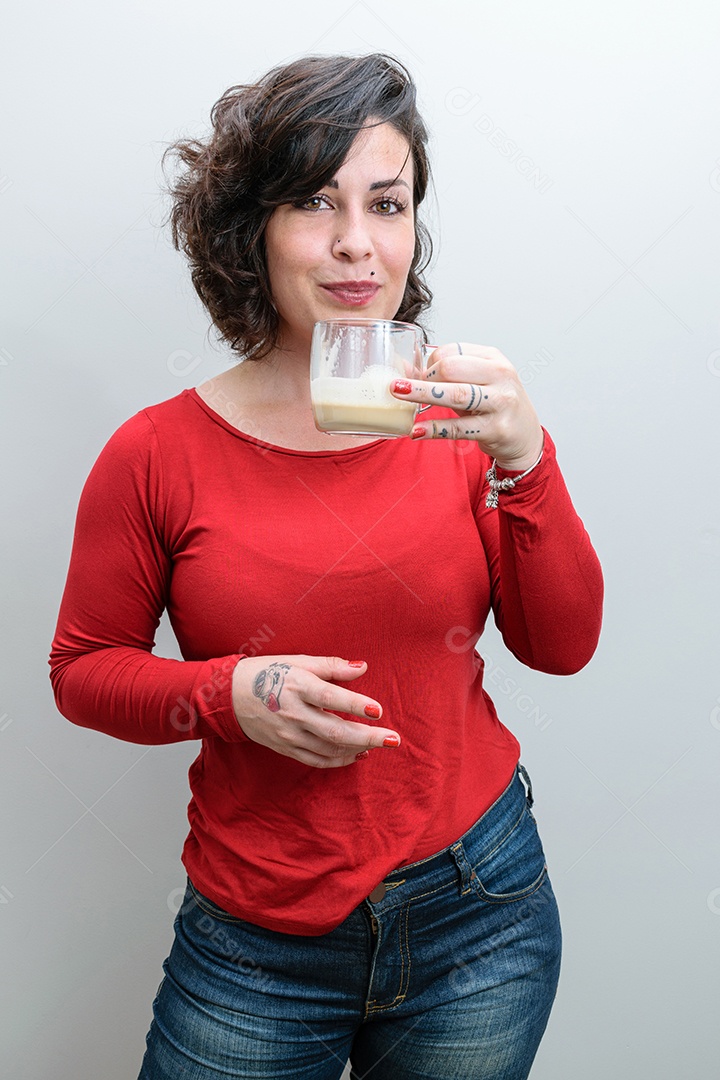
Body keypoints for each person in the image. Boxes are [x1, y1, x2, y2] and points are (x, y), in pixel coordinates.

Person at [49, 53, 603, 1080]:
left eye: (386, 204)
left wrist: (526, 458)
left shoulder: (457, 424)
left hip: (478, 918)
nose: (356, 242)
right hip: (255, 945)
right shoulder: (155, 453)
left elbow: (562, 647)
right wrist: (229, 690)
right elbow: (83, 673)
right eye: (313, 200)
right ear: (250, 230)